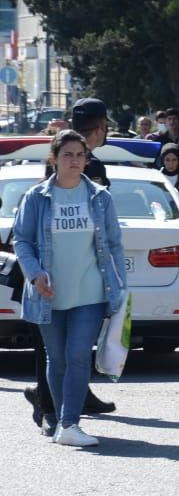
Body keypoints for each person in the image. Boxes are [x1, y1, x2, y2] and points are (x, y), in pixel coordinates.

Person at [12, 130, 127, 447]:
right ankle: (63, 419)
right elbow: (21, 239)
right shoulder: (36, 197)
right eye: (68, 155)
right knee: (57, 360)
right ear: (54, 159)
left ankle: (69, 423)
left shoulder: (100, 198)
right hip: (48, 294)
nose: (75, 161)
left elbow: (114, 245)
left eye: (80, 155)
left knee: (78, 356)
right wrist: (35, 274)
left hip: (89, 292)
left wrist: (120, 286)